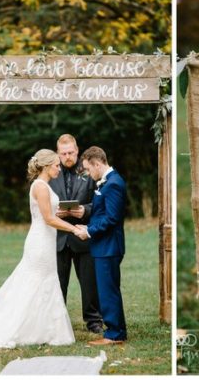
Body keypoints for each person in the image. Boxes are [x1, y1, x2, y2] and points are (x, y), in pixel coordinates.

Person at [0, 149, 88, 348]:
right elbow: (48, 219)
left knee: (46, 282)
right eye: (55, 165)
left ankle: (44, 329)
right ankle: (20, 327)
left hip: (45, 239)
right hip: (40, 243)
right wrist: (74, 229)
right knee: (34, 283)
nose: (59, 169)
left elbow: (50, 214)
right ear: (46, 166)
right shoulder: (41, 187)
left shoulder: (43, 185)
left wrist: (62, 214)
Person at [49, 134, 104, 334]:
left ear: (77, 150)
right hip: (58, 237)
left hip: (83, 234)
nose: (68, 156)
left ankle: (93, 321)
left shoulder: (89, 170)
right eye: (64, 153)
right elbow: (42, 201)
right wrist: (53, 211)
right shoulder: (51, 172)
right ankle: (57, 321)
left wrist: (86, 210)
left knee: (89, 282)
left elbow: (100, 200)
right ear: (58, 153)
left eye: (71, 152)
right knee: (58, 282)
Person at [78, 146, 128, 345]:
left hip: (109, 247)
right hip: (103, 246)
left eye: (89, 170)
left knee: (108, 291)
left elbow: (111, 218)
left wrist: (88, 231)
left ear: (97, 163)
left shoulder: (114, 183)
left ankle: (115, 334)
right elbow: (102, 215)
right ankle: (116, 329)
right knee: (107, 289)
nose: (89, 175)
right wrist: (87, 225)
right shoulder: (107, 182)